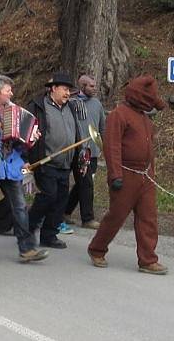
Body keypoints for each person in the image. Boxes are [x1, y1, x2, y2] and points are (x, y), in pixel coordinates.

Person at [87, 75, 168, 275]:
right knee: (116, 216)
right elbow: (112, 146)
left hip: (145, 175)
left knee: (148, 218)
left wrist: (152, 172)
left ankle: (148, 259)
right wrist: (115, 175)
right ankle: (97, 249)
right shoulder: (119, 115)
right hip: (125, 173)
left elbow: (150, 151)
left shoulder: (145, 119)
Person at [0, 74, 49, 264]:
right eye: (8, 90)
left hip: (11, 165)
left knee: (20, 207)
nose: (12, 93)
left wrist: (31, 138)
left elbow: (20, 142)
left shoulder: (15, 111)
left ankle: (27, 249)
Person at [27, 72, 81, 249]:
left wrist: (79, 156)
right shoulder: (38, 106)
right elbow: (27, 133)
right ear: (53, 88)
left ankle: (49, 235)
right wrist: (28, 157)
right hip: (45, 161)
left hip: (65, 163)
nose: (68, 93)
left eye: (69, 90)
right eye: (65, 89)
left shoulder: (70, 108)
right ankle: (28, 227)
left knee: (60, 200)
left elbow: (75, 133)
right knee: (48, 196)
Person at [64, 74, 106, 230]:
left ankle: (65, 211)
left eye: (95, 86)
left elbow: (102, 126)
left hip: (93, 151)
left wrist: (103, 145)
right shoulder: (72, 104)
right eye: (91, 86)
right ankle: (87, 218)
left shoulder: (97, 104)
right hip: (78, 152)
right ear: (82, 86)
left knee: (83, 183)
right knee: (86, 183)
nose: (95, 89)